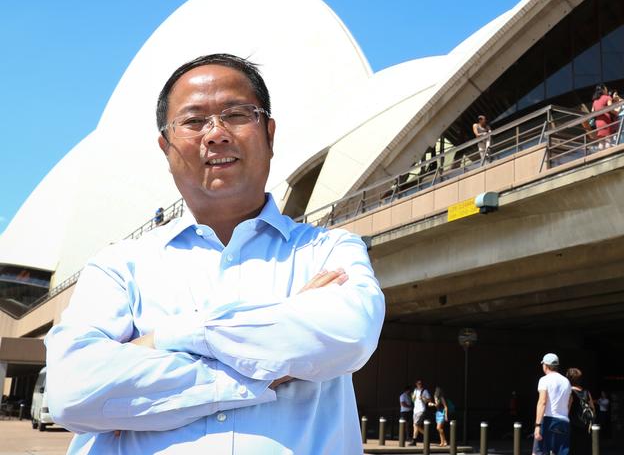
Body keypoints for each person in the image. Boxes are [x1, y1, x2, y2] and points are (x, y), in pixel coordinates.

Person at [44, 54, 386, 454]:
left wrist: (168, 338)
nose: (216, 134)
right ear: (166, 146)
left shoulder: (330, 249)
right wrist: (265, 369)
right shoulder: (119, 265)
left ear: (269, 134)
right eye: (193, 121)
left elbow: (348, 334)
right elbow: (71, 392)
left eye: (237, 115)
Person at [533, 353, 571, 455]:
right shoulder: (566, 382)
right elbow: (569, 402)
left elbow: (542, 402)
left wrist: (537, 425)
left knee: (538, 452)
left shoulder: (544, 380)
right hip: (563, 421)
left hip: (548, 420)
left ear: (546, 365)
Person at [566, 368, 594, 455]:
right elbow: (593, 409)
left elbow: (567, 409)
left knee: (573, 449)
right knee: (584, 449)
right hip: (585, 427)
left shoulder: (570, 392)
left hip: (573, 426)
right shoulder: (586, 392)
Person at [591, 84, 614, 150]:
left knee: (601, 142)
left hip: (598, 122)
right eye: (606, 89)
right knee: (608, 140)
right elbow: (611, 108)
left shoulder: (595, 101)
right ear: (603, 90)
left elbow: (592, 111)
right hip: (606, 120)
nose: (607, 90)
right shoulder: (607, 97)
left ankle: (601, 155)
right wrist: (617, 112)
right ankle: (609, 156)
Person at [409, 379, 432, 446]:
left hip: (421, 410)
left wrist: (422, 397)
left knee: (416, 425)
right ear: (416, 384)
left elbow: (429, 400)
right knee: (415, 426)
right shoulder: (415, 390)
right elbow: (413, 400)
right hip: (415, 410)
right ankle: (414, 440)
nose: (419, 384)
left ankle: (425, 435)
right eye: (418, 383)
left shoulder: (425, 391)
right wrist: (412, 398)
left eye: (420, 383)